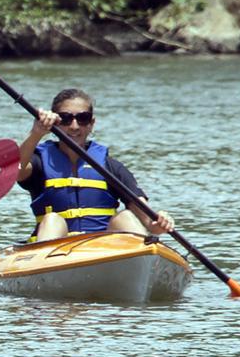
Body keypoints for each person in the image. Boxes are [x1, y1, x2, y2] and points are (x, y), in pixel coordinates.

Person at [17, 88, 174, 242]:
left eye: (83, 118)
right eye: (65, 118)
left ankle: (143, 255)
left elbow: (149, 222)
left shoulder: (111, 167)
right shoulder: (39, 163)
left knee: (125, 217)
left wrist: (158, 223)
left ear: (91, 123)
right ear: (55, 124)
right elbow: (16, 171)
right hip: (56, 250)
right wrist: (36, 133)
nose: (74, 126)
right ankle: (46, 264)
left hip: (102, 249)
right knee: (52, 219)